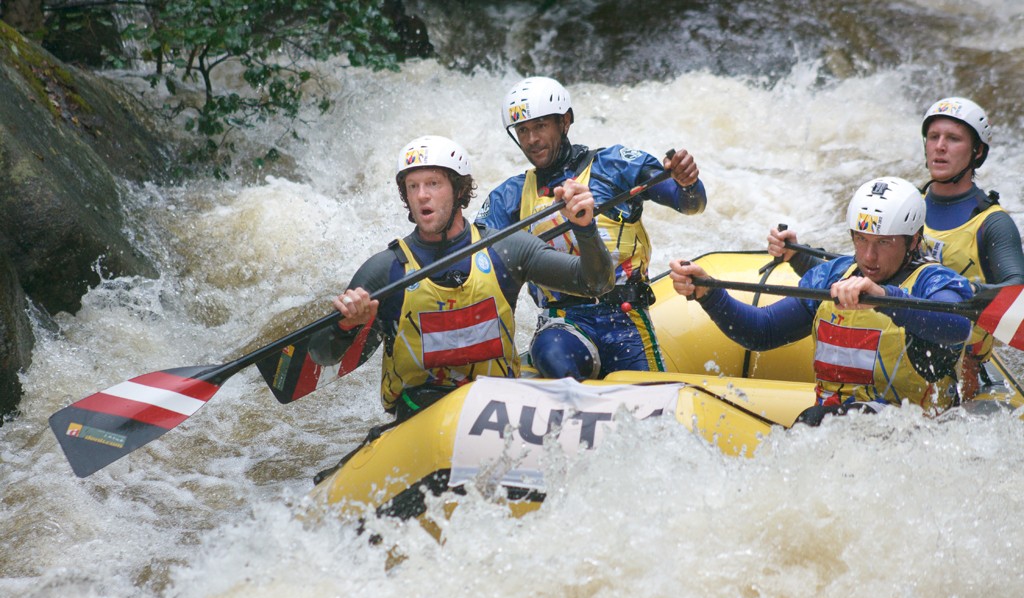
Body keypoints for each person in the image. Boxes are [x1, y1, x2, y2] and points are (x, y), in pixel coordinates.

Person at [308, 135, 614, 421]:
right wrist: (346, 325)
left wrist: (584, 228)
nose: (422, 195)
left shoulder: (504, 250)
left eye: (433, 183)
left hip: (495, 410)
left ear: (458, 189)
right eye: (412, 186)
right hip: (418, 414)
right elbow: (322, 357)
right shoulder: (385, 271)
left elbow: (595, 283)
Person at [768, 96, 1024, 398]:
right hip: (895, 334)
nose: (940, 146)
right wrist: (798, 256)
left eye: (953, 139)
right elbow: (864, 270)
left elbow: (1015, 299)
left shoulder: (992, 224)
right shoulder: (902, 204)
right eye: (933, 137)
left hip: (955, 357)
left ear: (977, 151)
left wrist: (961, 295)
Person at [673, 176, 974, 425]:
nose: (869, 256)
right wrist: (708, 293)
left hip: (918, 434)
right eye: (861, 239)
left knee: (818, 421)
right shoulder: (835, 275)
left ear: (913, 240)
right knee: (822, 421)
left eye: (884, 243)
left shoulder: (933, 281)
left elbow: (957, 326)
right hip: (836, 426)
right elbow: (761, 332)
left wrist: (884, 297)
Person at [475, 76, 707, 380]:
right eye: (523, 130)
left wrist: (689, 183)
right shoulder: (510, 197)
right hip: (562, 323)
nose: (531, 140)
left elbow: (690, 204)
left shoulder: (615, 167)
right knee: (553, 354)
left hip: (627, 318)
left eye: (541, 126)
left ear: (565, 121)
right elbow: (474, 260)